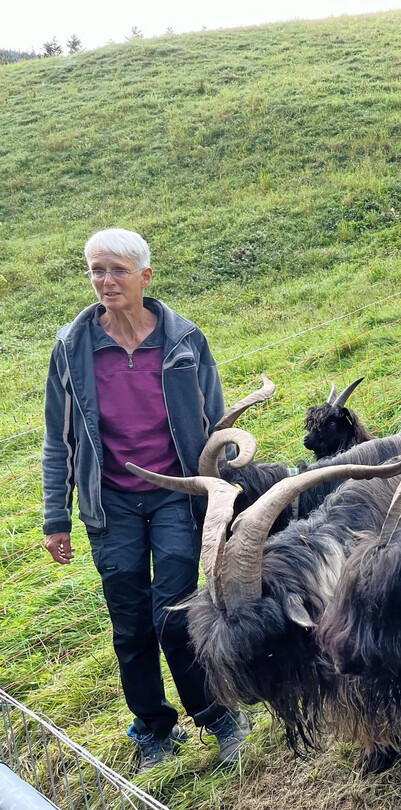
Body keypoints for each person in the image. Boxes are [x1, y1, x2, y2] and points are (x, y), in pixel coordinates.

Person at [41, 228, 250, 772]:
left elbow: (216, 425)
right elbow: (58, 439)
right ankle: (154, 728)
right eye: (96, 270)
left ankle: (218, 715)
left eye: (118, 270)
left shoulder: (184, 340)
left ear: (145, 276)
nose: (105, 281)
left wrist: (226, 498)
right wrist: (56, 516)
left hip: (175, 496)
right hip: (111, 505)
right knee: (130, 625)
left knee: (175, 616)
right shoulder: (72, 348)